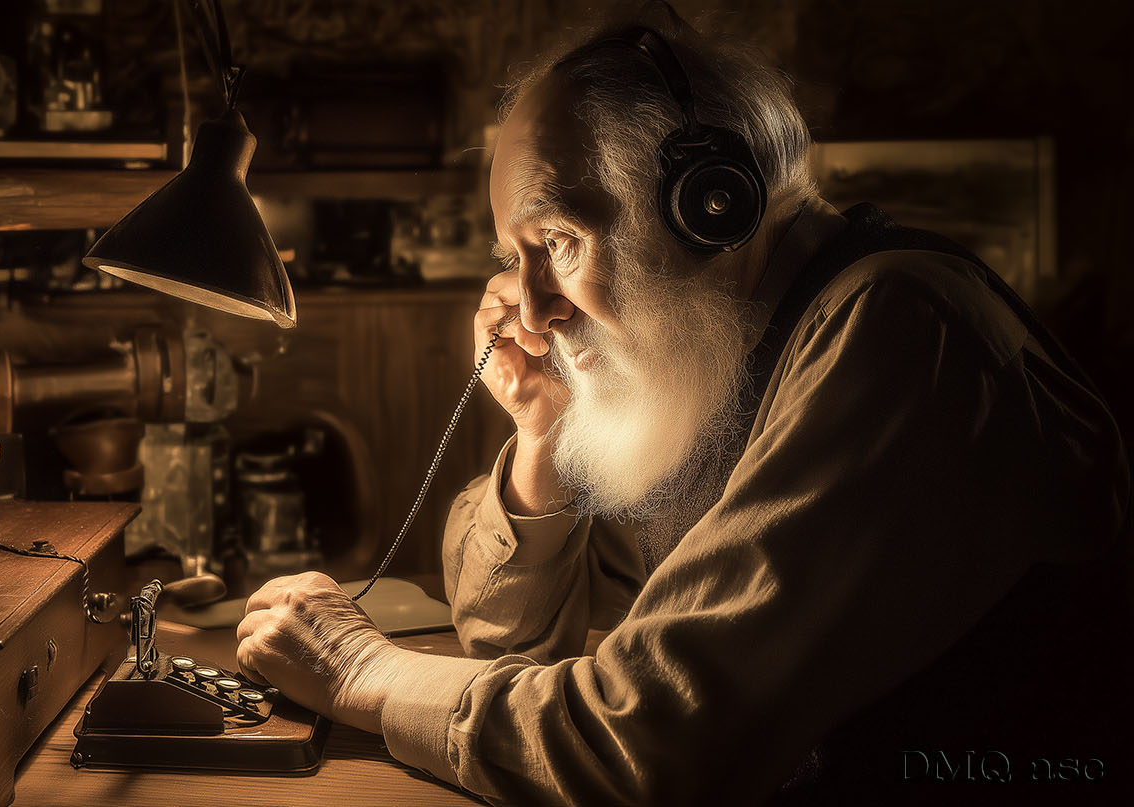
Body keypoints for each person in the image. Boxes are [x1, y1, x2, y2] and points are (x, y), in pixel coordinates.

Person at [234, 9, 1131, 806]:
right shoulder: (719, 354)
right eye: (517, 255)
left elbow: (647, 744)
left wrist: (358, 667)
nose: (533, 310)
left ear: (709, 205)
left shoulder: (895, 329)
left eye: (558, 240)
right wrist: (543, 435)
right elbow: (511, 641)